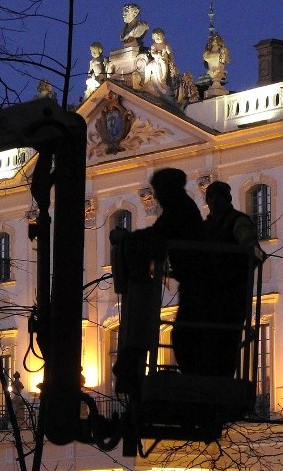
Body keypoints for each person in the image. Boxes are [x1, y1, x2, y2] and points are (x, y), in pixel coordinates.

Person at [111, 168, 205, 391]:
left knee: (184, 334)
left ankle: (190, 379)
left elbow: (158, 234)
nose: (157, 196)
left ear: (168, 189)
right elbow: (158, 232)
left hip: (196, 279)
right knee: (183, 332)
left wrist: (129, 240)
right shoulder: (180, 206)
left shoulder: (179, 208)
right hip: (193, 278)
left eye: (159, 191)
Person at [203, 181, 263, 377]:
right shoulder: (205, 227)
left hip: (230, 295)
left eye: (217, 197)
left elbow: (252, 250)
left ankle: (224, 377)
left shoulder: (239, 222)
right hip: (209, 296)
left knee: (226, 344)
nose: (213, 201)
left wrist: (232, 270)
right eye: (210, 197)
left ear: (226, 199)